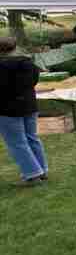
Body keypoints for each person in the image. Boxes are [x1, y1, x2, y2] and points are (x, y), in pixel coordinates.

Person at [0, 37, 48, 186]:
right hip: (28, 105)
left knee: (17, 142)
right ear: (15, 47)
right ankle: (42, 170)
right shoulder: (29, 64)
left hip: (8, 108)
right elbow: (32, 82)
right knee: (31, 138)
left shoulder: (3, 66)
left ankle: (33, 174)